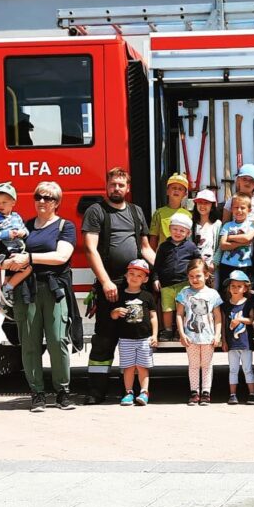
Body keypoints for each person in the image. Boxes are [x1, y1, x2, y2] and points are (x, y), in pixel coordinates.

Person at [83, 167, 155, 405]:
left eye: (121, 185)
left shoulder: (136, 212)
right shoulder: (97, 211)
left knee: (133, 338)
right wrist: (104, 282)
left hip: (134, 285)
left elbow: (145, 248)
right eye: (113, 184)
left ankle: (132, 390)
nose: (116, 188)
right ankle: (96, 391)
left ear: (128, 188)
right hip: (110, 285)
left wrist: (161, 273)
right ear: (107, 186)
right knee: (104, 340)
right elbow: (90, 248)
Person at [3, 181, 77, 412]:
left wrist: (30, 259)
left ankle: (63, 392)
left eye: (48, 198)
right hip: (26, 290)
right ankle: (37, 393)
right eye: (38, 197)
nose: (42, 201)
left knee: (58, 341)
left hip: (55, 289)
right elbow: (9, 255)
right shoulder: (24, 227)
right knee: (29, 343)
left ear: (57, 203)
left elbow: (61, 257)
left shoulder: (66, 226)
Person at [110, 259, 158, 406]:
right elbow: (112, 315)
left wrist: (154, 335)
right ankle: (128, 392)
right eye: (131, 274)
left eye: (139, 275)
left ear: (145, 279)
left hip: (144, 338)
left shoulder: (147, 296)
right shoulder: (120, 295)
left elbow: (153, 316)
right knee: (128, 367)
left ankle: (144, 392)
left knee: (143, 367)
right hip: (125, 338)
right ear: (126, 275)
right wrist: (116, 311)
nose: (135, 277)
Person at [176, 258, 222, 406]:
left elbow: (218, 317)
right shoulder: (184, 293)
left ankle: (206, 392)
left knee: (207, 365)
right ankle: (194, 392)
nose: (195, 279)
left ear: (206, 275)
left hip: (208, 337)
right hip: (191, 337)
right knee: (194, 365)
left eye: (198, 276)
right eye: (191, 276)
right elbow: (179, 314)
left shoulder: (213, 294)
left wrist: (217, 334)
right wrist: (182, 334)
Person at [154, 213, 201, 341]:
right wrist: (156, 278)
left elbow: (198, 261)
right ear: (169, 229)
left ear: (188, 233)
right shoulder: (164, 246)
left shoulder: (190, 247)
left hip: (184, 283)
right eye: (175, 229)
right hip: (166, 284)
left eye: (182, 230)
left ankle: (183, 330)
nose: (178, 232)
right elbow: (157, 264)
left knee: (184, 308)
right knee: (167, 308)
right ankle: (168, 330)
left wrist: (197, 278)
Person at [0, 181, 30, 309]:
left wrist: (23, 232)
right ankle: (8, 288)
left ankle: (3, 300)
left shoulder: (16, 217)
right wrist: (6, 234)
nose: (0, 205)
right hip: (5, 250)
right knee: (27, 268)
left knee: (11, 273)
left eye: (4, 202)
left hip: (18, 250)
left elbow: (25, 230)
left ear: (13, 202)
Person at [222, 269, 254, 406]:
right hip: (231, 343)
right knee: (233, 369)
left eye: (239, 286)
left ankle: (252, 394)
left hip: (245, 342)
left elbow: (252, 320)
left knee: (248, 368)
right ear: (229, 288)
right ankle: (232, 394)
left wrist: (240, 320)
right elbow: (224, 324)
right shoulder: (225, 306)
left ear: (245, 288)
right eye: (233, 286)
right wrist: (223, 341)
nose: (235, 289)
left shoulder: (248, 303)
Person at [218, 194, 254, 293]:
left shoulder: (251, 225)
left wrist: (229, 238)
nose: (239, 210)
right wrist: (241, 243)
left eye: (242, 208)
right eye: (236, 207)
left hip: (245, 265)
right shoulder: (227, 225)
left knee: (245, 292)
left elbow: (247, 237)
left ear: (249, 210)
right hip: (227, 264)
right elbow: (222, 245)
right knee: (226, 291)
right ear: (231, 209)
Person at [148, 173, 191, 250]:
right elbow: (153, 237)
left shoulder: (188, 215)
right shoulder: (159, 213)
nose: (176, 190)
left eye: (180, 189)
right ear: (167, 191)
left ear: (185, 194)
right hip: (163, 256)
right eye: (173, 188)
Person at [191, 189, 222, 283]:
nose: (202, 205)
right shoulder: (192, 224)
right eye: (199, 202)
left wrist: (214, 264)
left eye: (206, 203)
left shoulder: (217, 224)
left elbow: (220, 246)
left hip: (212, 268)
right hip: (195, 268)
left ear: (212, 206)